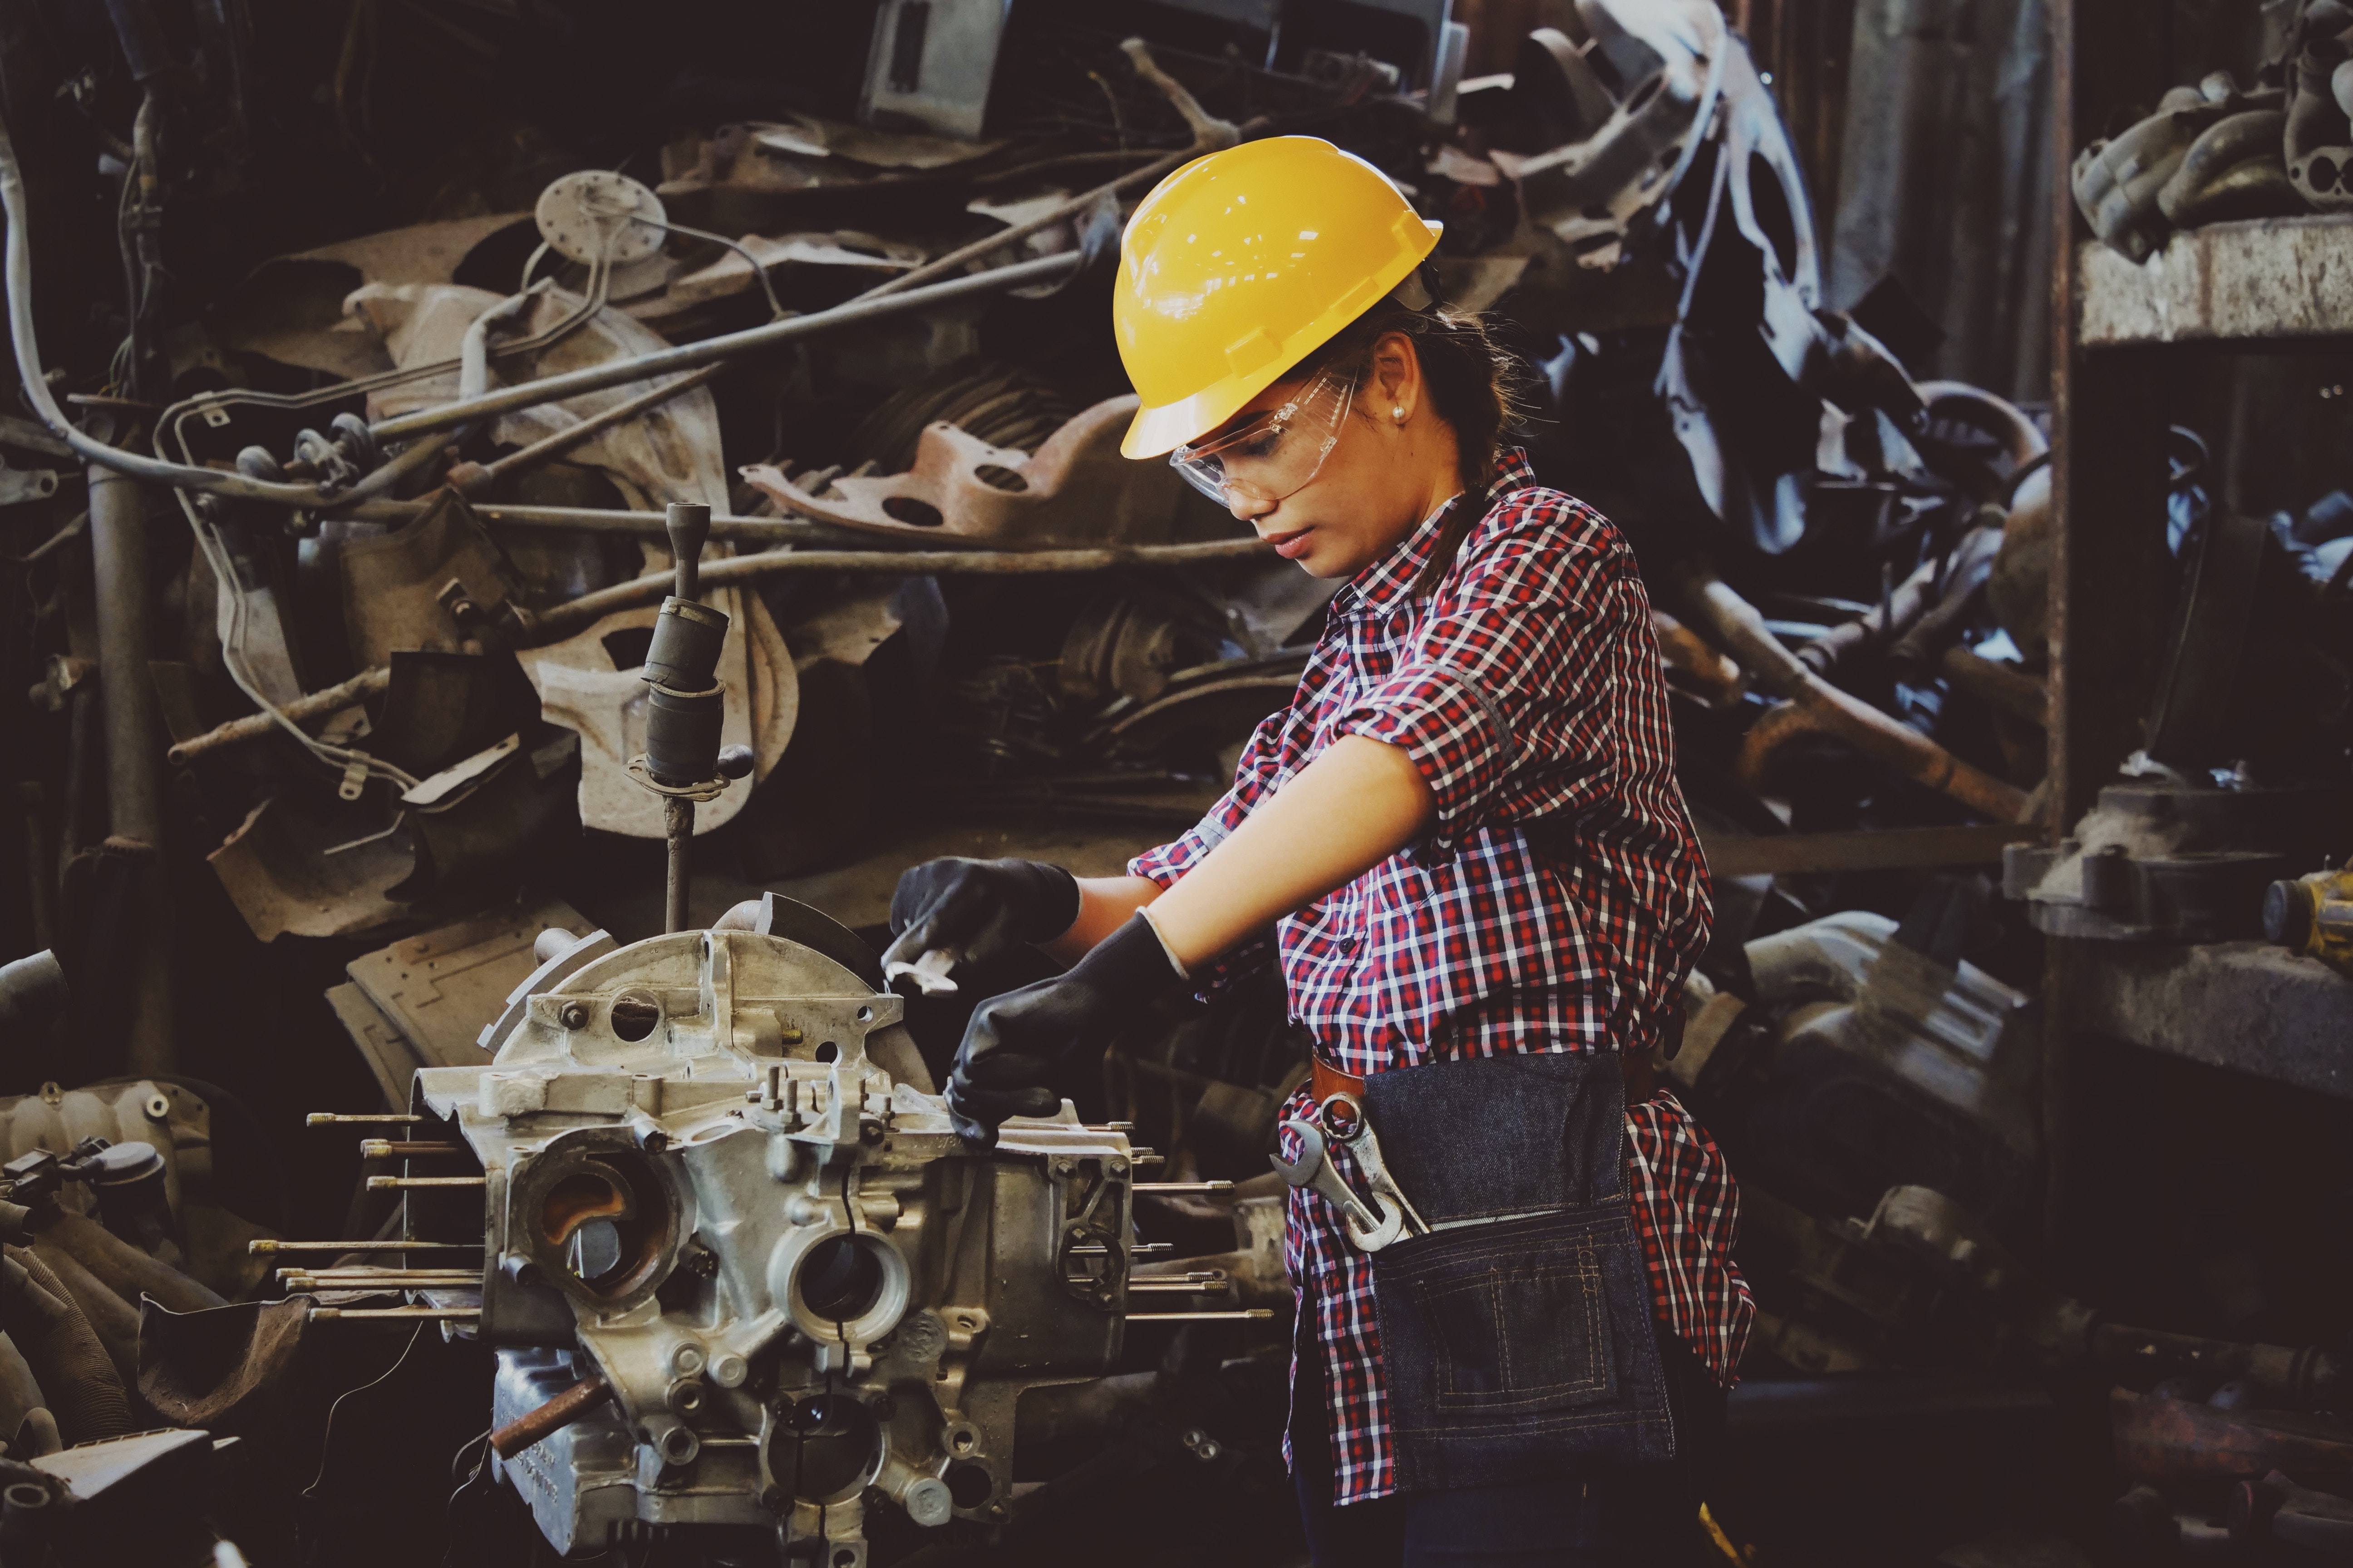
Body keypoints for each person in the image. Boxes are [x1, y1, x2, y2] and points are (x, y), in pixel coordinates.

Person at [882, 136, 1753, 1566]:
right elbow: (1203, 878)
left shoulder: (1546, 558)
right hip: (1380, 1245)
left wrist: (1130, 979)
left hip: (1549, 1231)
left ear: (1395, 377)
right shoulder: (1355, 647)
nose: (1245, 500)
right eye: (1216, 466)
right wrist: (1036, 906)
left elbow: (1396, 769)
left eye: (1263, 440)